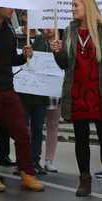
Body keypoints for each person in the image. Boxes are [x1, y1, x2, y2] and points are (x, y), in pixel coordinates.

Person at [50, 0, 102, 199]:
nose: (72, 9)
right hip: (77, 93)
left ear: (87, 7)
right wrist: (57, 51)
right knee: (81, 138)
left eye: (75, 5)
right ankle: (84, 180)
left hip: (101, 93)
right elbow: (65, 64)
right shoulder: (69, 31)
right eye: (71, 5)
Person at [0, 6, 43, 193]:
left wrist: (23, 56)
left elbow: (11, 59)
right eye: (8, 5)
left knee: (21, 133)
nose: (12, 9)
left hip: (7, 88)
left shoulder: (10, 29)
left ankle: (27, 174)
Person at [14, 12, 50, 176]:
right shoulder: (16, 36)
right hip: (22, 93)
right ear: (24, 17)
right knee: (22, 129)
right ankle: (22, 161)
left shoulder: (44, 41)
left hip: (40, 93)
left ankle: (35, 161)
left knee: (37, 129)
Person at [40, 28, 62, 173]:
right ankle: (30, 157)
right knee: (33, 126)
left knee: (53, 125)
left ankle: (49, 160)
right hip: (38, 89)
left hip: (55, 90)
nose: (49, 28)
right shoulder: (37, 42)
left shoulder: (62, 44)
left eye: (51, 25)